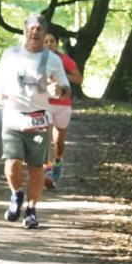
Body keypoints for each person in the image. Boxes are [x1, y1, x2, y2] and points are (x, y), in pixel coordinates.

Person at [0, 14, 70, 230]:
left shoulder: (52, 59)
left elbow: (66, 88)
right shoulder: (11, 55)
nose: (35, 32)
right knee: (12, 163)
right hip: (13, 116)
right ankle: (16, 194)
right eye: (32, 28)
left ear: (45, 34)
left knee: (37, 168)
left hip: (39, 118)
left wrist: (59, 90)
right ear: (25, 30)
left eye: (40, 29)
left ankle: (32, 210)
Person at [42, 32, 83, 188]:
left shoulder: (64, 59)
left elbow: (79, 79)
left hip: (62, 104)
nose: (49, 44)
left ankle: (58, 162)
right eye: (45, 41)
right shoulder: (38, 58)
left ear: (56, 44)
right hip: (45, 104)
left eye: (52, 41)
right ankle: (48, 171)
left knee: (58, 142)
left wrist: (61, 74)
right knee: (46, 138)